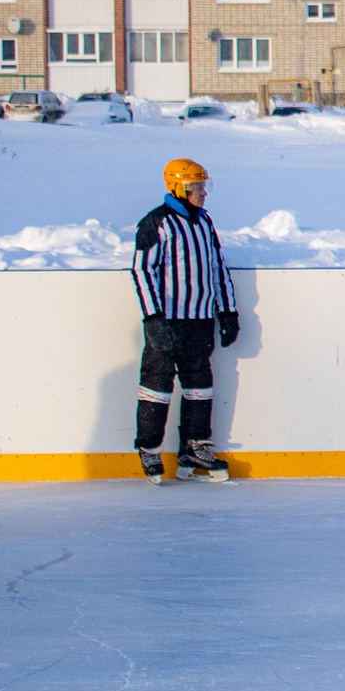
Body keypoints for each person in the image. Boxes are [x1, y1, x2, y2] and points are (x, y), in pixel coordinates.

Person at [130, 158, 240, 483]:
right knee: (157, 386)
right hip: (167, 323)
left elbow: (218, 268)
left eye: (204, 186)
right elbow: (141, 269)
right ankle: (149, 448)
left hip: (200, 321)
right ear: (181, 188)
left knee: (199, 388)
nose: (204, 193)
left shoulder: (205, 222)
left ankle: (194, 446)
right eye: (197, 187)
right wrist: (152, 318)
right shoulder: (156, 223)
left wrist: (228, 311)